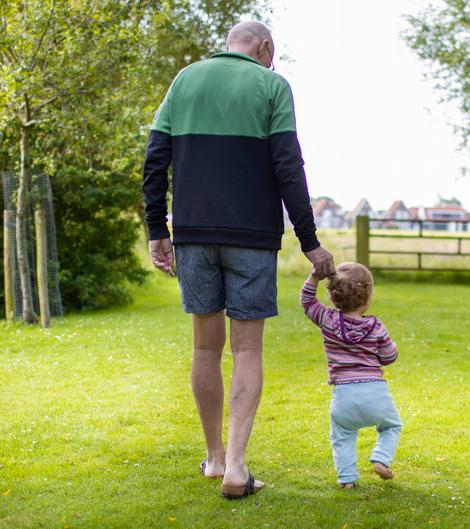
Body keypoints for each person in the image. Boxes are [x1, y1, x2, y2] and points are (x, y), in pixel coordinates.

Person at [142, 20, 336, 499]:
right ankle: (236, 466)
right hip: (252, 237)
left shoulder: (185, 79)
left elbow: (154, 158)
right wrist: (309, 241)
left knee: (205, 347)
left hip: (192, 233)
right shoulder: (272, 86)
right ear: (265, 48)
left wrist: (155, 230)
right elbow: (289, 165)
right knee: (247, 349)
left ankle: (212, 457)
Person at [299, 262, 403, 489]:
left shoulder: (327, 320)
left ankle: (347, 479)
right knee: (391, 426)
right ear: (367, 297)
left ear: (335, 296)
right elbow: (389, 357)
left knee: (343, 435)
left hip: (343, 394)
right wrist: (390, 347)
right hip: (375, 392)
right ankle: (381, 459)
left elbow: (307, 302)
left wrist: (314, 277)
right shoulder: (376, 327)